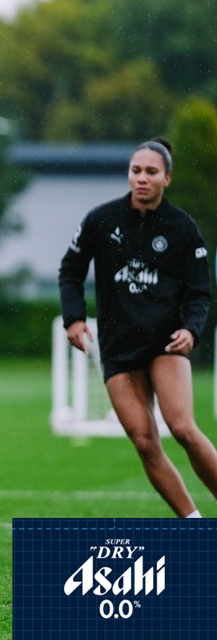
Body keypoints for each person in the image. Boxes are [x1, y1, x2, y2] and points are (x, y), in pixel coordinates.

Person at [59, 138, 217, 518]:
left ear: (167, 178)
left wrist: (191, 330)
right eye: (136, 170)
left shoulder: (182, 228)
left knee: (181, 427)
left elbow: (199, 292)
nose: (142, 178)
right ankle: (194, 526)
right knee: (145, 442)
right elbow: (70, 271)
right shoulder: (101, 220)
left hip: (165, 343)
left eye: (151, 172)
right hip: (118, 347)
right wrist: (74, 318)